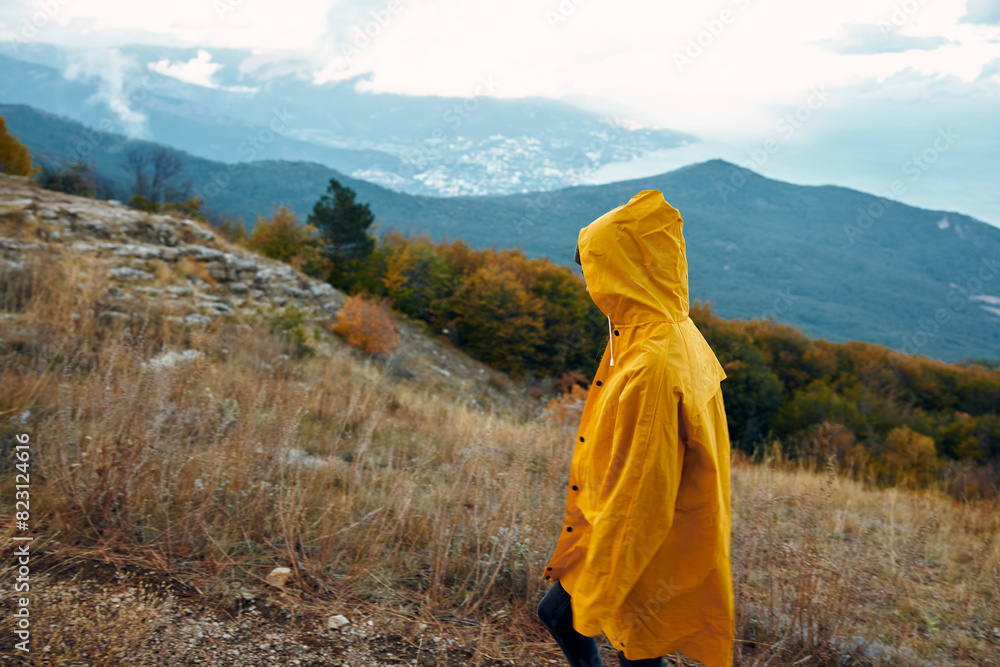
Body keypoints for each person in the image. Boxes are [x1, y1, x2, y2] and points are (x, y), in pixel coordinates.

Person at [538, 190, 734, 667]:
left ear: (623, 274)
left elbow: (641, 494)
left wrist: (605, 576)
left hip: (645, 548)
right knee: (602, 635)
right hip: (651, 533)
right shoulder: (671, 330)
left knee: (622, 643)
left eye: (595, 271)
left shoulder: (652, 365)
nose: (591, 285)